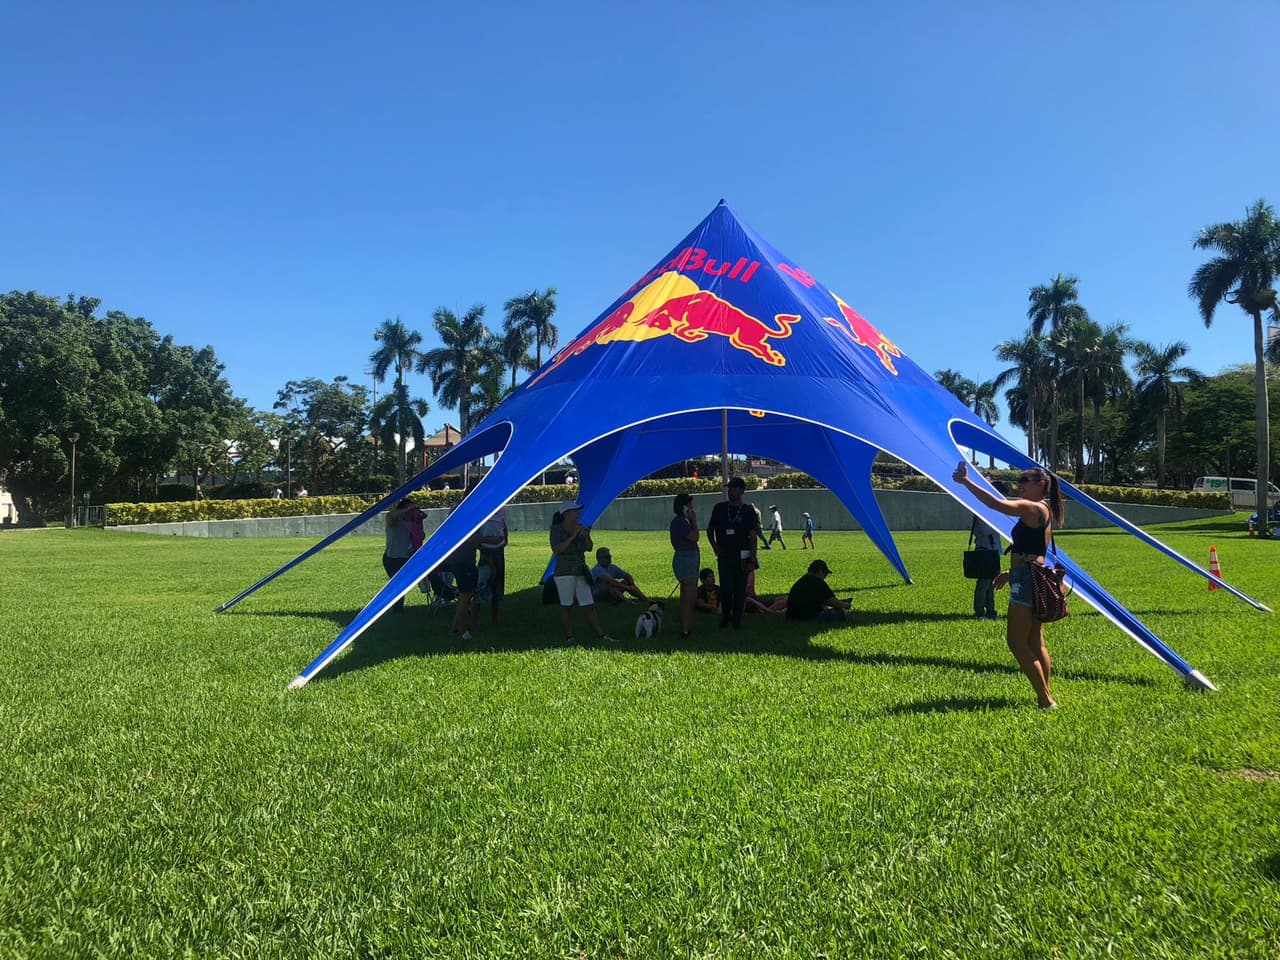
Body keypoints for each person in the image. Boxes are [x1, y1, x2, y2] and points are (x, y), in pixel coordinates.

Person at [953, 460, 1063, 710]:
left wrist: (966, 482)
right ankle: (1046, 693)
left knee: (1016, 642)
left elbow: (996, 504)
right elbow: (1035, 552)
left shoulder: (1031, 508)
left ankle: (1045, 699)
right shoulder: (1046, 509)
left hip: (1026, 580)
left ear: (1040, 484)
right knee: (1036, 642)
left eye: (1024, 481)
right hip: (1034, 576)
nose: (1019, 485)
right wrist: (1009, 573)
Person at [549, 500, 616, 643]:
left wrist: (586, 536)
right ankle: (569, 637)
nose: (578, 513)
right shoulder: (556, 530)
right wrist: (573, 536)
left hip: (580, 570)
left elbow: (589, 548)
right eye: (575, 511)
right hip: (565, 571)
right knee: (567, 605)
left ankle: (601, 635)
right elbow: (557, 549)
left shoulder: (580, 528)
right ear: (566, 514)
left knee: (588, 604)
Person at [706, 477, 759, 629]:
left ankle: (737, 618)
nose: (731, 492)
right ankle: (726, 616)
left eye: (734, 489)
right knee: (726, 587)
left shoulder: (749, 511)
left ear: (742, 491)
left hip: (742, 554)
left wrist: (752, 558)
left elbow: (753, 536)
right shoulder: (720, 508)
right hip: (724, 554)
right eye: (729, 489)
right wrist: (715, 547)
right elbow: (710, 530)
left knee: (740, 588)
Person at [969, 480, 1008, 620]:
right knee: (984, 583)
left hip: (993, 550)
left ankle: (991, 611)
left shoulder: (990, 510)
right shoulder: (983, 509)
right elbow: (983, 530)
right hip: (985, 549)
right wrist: (998, 522)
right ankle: (980, 612)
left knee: (991, 583)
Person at [669, 493, 700, 640]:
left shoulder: (681, 521)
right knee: (688, 598)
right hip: (686, 559)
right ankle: (685, 630)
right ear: (683, 507)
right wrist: (694, 521)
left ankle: (684, 625)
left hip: (688, 558)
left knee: (686, 596)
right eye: (690, 506)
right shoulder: (680, 522)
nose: (693, 509)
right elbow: (695, 537)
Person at [440, 532, 480, 640]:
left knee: (465, 595)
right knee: (466, 596)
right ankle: (461, 631)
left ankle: (455, 628)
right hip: (463, 562)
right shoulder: (466, 520)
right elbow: (471, 538)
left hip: (461, 561)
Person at [785, 559, 850, 621]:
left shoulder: (802, 580)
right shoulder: (818, 582)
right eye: (825, 574)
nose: (825, 577)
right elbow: (833, 602)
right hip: (808, 616)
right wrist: (846, 605)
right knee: (843, 613)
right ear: (820, 572)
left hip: (792, 616)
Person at [382, 500, 417, 613]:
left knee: (400, 585)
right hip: (391, 558)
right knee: (396, 584)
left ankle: (397, 608)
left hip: (405, 558)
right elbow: (392, 518)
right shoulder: (392, 517)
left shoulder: (412, 521)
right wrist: (405, 510)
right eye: (407, 509)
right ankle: (395, 607)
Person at [475, 506, 508, 625]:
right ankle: (475, 621)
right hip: (486, 552)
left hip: (498, 551)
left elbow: (503, 532)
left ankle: (494, 620)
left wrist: (500, 540)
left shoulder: (502, 509)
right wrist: (488, 541)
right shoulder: (480, 512)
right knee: (481, 585)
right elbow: (476, 537)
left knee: (497, 586)